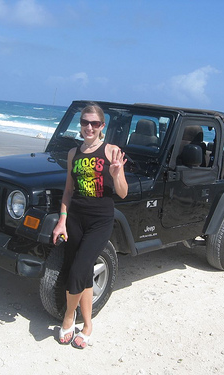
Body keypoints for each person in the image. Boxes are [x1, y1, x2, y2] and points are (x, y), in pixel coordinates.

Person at [52, 104, 128, 349]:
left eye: (95, 123)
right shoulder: (74, 153)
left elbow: (123, 193)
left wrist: (116, 174)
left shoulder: (112, 151)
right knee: (83, 274)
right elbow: (68, 191)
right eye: (85, 122)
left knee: (78, 269)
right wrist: (62, 220)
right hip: (75, 219)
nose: (89, 127)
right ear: (81, 124)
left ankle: (67, 316)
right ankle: (87, 324)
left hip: (100, 221)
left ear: (102, 126)